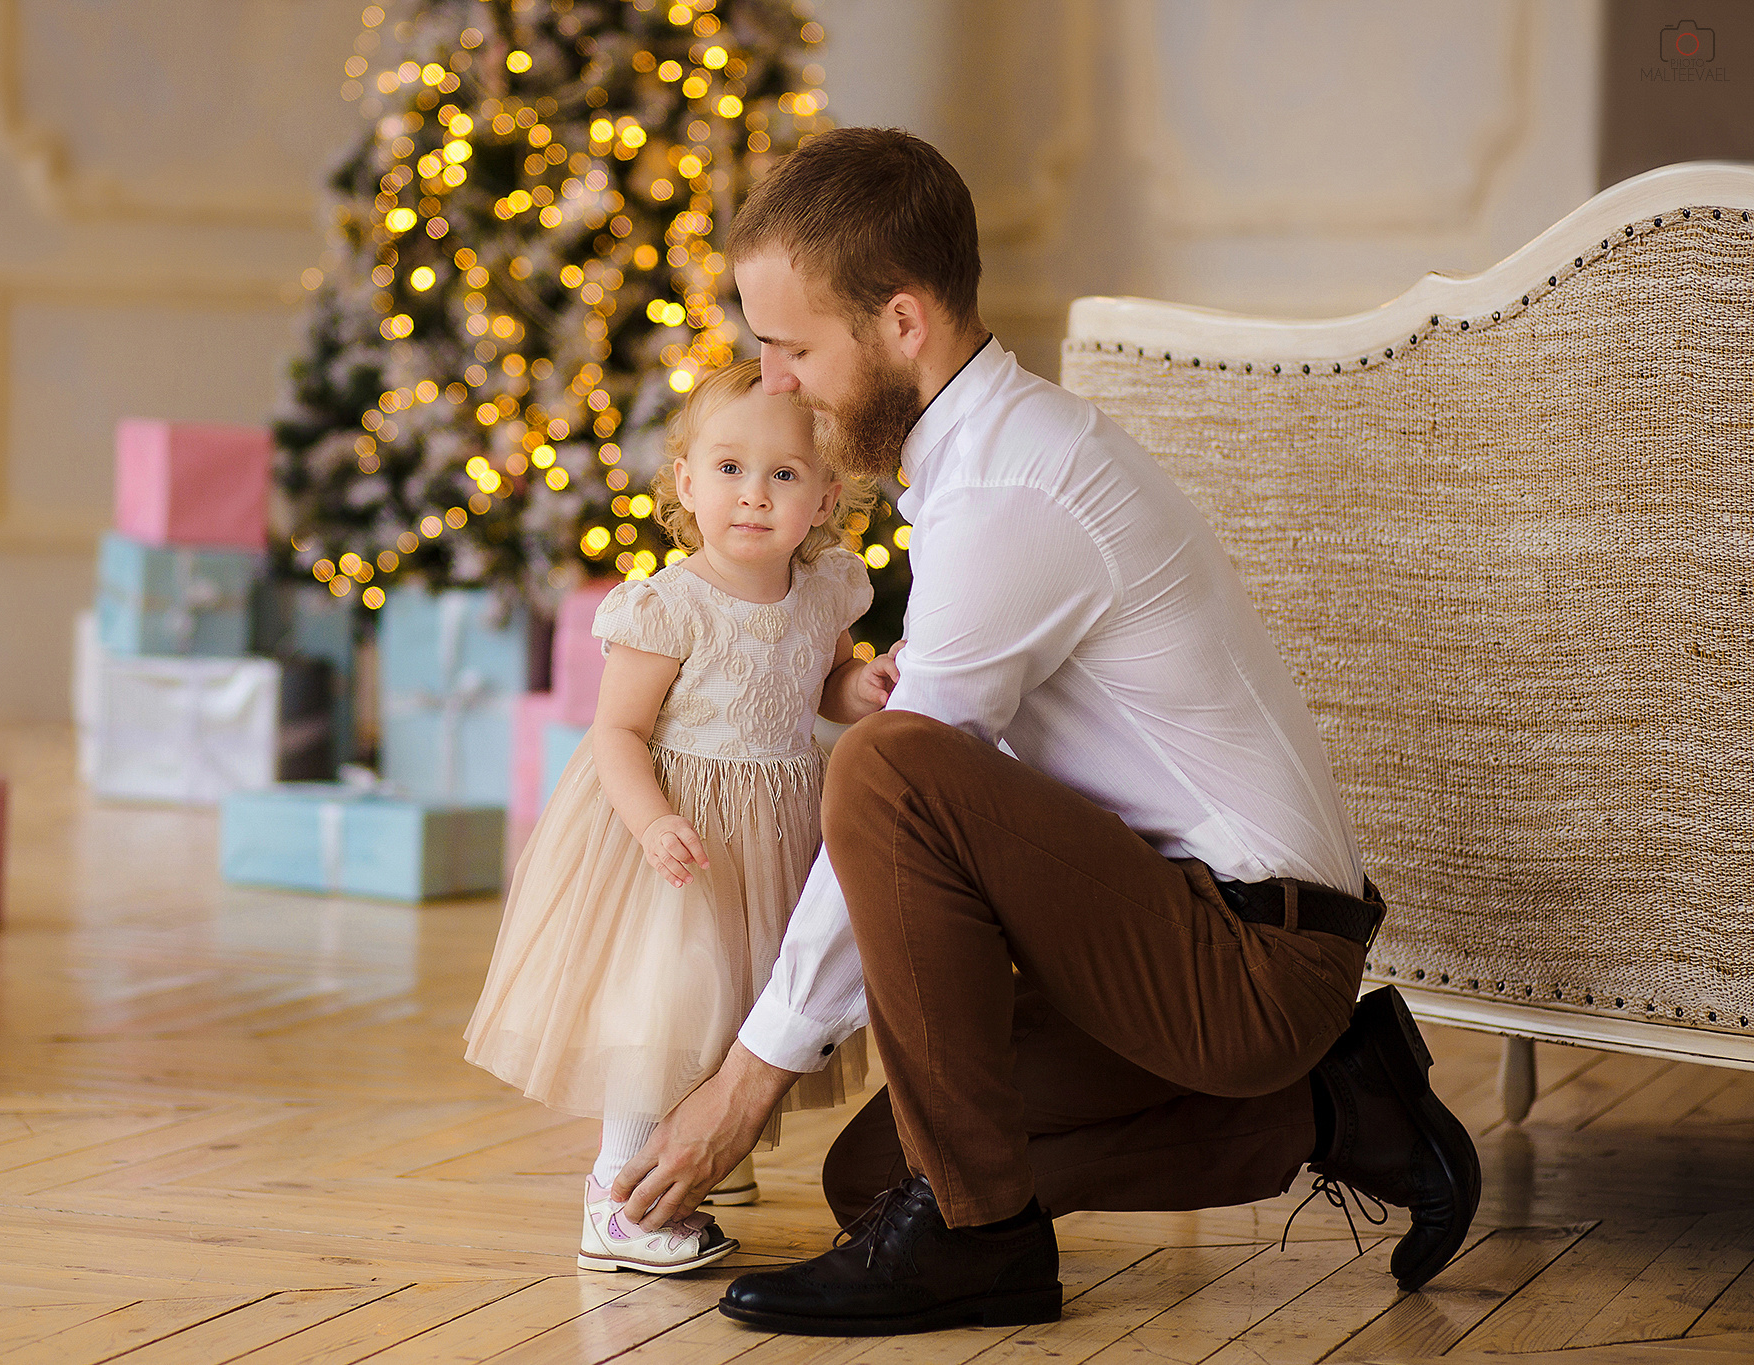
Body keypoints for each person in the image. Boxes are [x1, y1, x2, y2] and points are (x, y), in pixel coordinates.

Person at [607, 127, 1483, 1336]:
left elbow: (906, 787)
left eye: (792, 347)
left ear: (901, 324)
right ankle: (1340, 1106)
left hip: (1250, 955)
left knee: (888, 769)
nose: (771, 383)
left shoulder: (1013, 489)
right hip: (1173, 932)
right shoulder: (976, 468)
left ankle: (986, 1245)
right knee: (876, 1183)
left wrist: (746, 1082)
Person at [463, 358, 892, 1274]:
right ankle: (618, 1195)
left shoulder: (825, 592)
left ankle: (695, 1159)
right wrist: (653, 820)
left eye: (783, 474)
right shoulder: (669, 606)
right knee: (667, 1002)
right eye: (729, 469)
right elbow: (617, 730)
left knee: (736, 999)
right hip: (679, 835)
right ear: (687, 482)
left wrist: (866, 685)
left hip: (774, 826)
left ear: (824, 498)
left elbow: (824, 686)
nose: (753, 494)